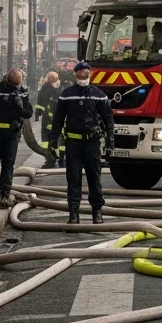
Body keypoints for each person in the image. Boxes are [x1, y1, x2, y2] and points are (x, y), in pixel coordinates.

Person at [49, 60, 114, 225]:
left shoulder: (99, 94)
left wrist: (110, 141)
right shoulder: (67, 94)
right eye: (80, 73)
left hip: (92, 143)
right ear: (75, 75)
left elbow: (108, 120)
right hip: (73, 143)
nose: (83, 75)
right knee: (73, 178)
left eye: (86, 73)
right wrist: (53, 141)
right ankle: (73, 213)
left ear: (90, 74)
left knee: (94, 178)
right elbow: (58, 119)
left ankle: (97, 212)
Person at [0, 67, 33, 208]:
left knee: (8, 164)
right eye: (15, 84)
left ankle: (4, 193)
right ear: (8, 80)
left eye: (19, 84)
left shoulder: (22, 92)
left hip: (12, 134)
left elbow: (28, 113)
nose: (18, 87)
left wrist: (20, 107)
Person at [36, 71, 63, 166]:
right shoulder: (60, 87)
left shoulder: (47, 87)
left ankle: (55, 158)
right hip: (51, 117)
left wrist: (38, 113)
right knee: (50, 138)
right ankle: (53, 157)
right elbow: (40, 101)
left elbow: (40, 100)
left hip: (52, 117)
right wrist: (38, 112)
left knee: (51, 137)